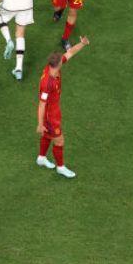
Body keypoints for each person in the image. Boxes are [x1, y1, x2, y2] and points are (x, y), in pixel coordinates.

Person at [37, 36, 90, 178]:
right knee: (59, 140)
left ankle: (41, 158)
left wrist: (82, 43)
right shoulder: (48, 83)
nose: (64, 59)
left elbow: (70, 52)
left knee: (48, 135)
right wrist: (40, 124)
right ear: (58, 64)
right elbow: (42, 104)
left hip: (54, 110)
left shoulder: (52, 68)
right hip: (50, 115)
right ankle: (60, 167)